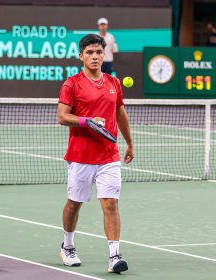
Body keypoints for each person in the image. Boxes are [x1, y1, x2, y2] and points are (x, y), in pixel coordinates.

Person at [58, 34, 134, 273]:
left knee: (110, 203)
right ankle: (67, 246)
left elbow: (120, 114)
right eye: (89, 52)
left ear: (104, 55)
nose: (94, 56)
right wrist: (86, 121)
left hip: (108, 156)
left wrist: (129, 143)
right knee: (75, 203)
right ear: (81, 56)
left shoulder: (113, 83)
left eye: (99, 52)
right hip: (80, 156)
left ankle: (114, 256)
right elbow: (62, 116)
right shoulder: (72, 84)